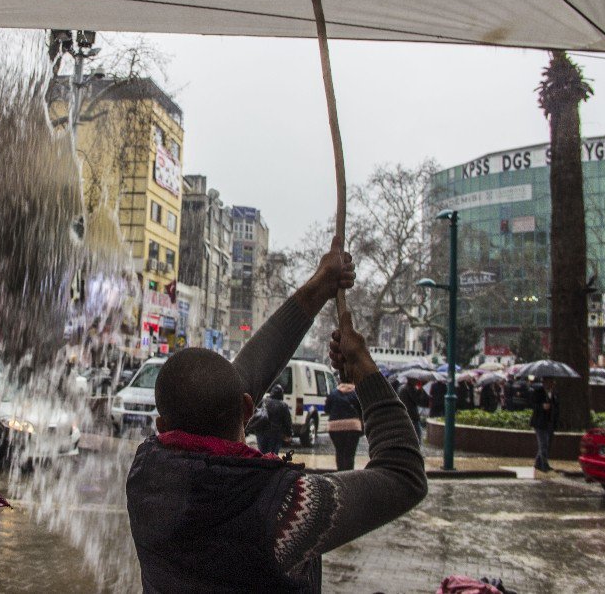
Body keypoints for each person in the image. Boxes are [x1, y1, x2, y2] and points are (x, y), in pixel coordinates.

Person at [126, 237, 426, 592]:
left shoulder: (146, 473)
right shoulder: (285, 509)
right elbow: (403, 476)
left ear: (162, 425)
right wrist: (363, 369)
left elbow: (242, 376)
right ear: (248, 410)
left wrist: (319, 286)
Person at [325, 381, 363, 471]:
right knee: (350, 454)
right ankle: (348, 476)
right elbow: (362, 410)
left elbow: (326, 409)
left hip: (335, 426)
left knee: (339, 452)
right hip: (353, 426)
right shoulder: (357, 394)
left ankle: (340, 474)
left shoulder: (333, 393)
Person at [529, 378, 559, 472]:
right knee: (543, 444)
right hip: (539, 422)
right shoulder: (538, 392)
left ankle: (538, 463)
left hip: (549, 422)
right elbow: (532, 404)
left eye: (552, 382)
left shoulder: (554, 393)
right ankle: (544, 465)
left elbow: (556, 406)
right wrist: (542, 406)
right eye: (549, 382)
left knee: (545, 444)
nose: (551, 384)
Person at [257, 384, 293, 455]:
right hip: (275, 435)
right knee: (273, 455)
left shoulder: (264, 402)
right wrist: (289, 434)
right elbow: (287, 422)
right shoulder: (283, 405)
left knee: (262, 454)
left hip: (261, 433)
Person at [398, 378, 429, 442]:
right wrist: (421, 389)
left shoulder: (402, 387)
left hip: (404, 415)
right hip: (412, 416)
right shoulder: (410, 388)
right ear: (412, 380)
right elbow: (419, 401)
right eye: (416, 380)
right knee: (418, 437)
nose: (417, 380)